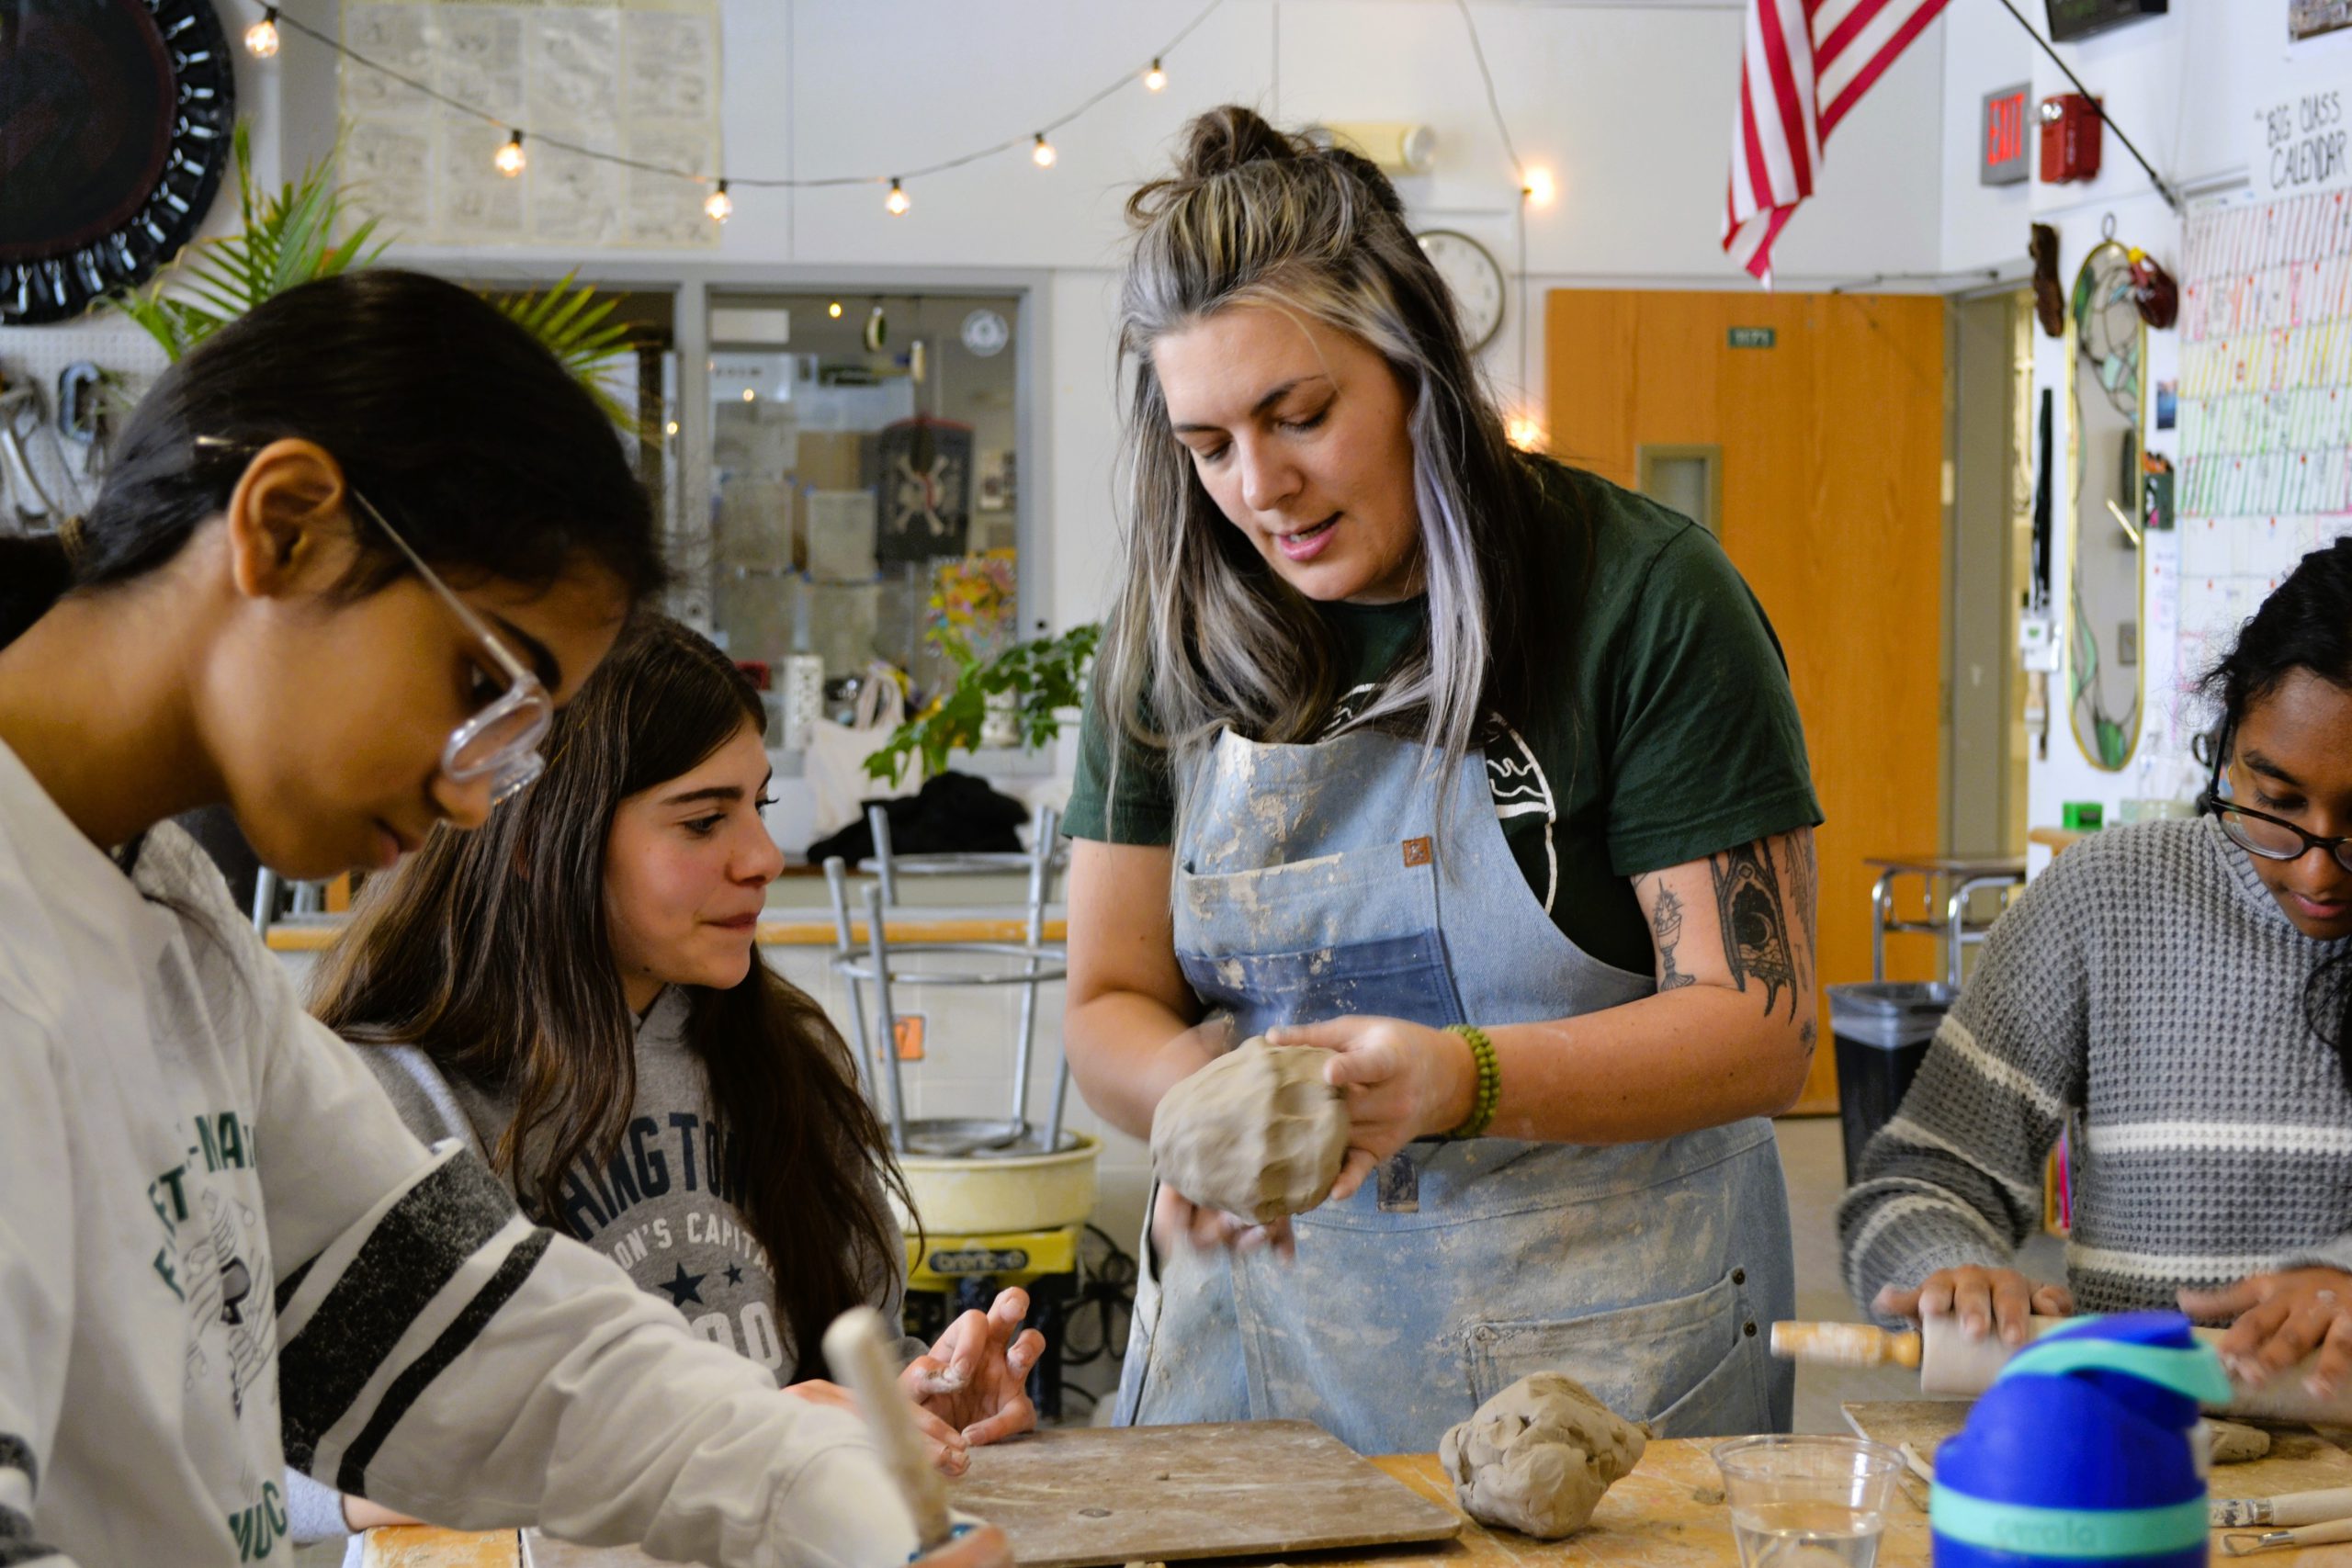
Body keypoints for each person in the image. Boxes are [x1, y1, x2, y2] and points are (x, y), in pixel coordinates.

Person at [0, 269, 1004, 1568]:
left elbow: (458, 1322)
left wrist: (820, 1489)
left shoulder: (166, 911)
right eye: (483, 680)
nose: (473, 795)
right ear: (287, 525)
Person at [1060, 107, 1824, 1453]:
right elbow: (1109, 997)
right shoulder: (1169, 641)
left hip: (1601, 1355)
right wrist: (1203, 1103)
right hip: (1261, 1362)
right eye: (1208, 444)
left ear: (1419, 366)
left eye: (1300, 415)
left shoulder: (1637, 597)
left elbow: (1757, 1023)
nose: (1260, 486)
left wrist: (1457, 1077)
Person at [291, 615, 1045, 1543]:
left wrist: (915, 1403)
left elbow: (834, 1374)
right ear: (535, 836)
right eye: (702, 819)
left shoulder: (778, 1058)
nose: (762, 858)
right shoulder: (390, 1091)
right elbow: (282, 1472)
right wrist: (733, 1442)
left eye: (758, 808)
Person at [1843, 537, 2352, 1401]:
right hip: (2125, 1454)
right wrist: (1955, 1270)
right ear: (2227, 751)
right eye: (2276, 804)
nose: (2317, 869)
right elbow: (1920, 1179)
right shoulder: (2107, 900)